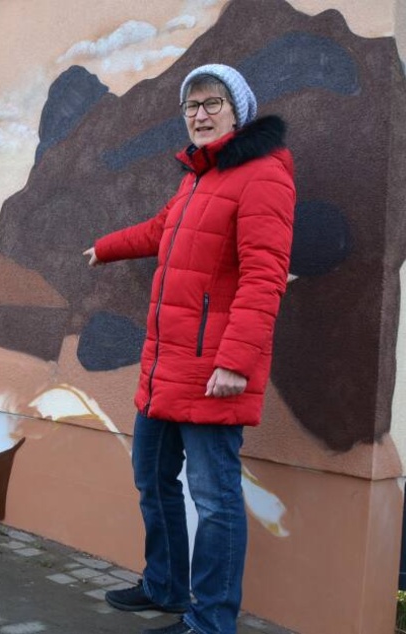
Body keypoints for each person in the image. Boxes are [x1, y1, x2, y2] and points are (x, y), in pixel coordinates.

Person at [84, 64, 295, 634]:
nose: (200, 115)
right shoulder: (199, 177)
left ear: (238, 110)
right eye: (192, 106)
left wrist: (234, 361)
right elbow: (163, 229)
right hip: (166, 365)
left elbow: (264, 276)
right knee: (152, 477)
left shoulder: (263, 175)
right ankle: (166, 585)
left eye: (212, 103)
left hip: (212, 370)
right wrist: (105, 248)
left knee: (215, 498)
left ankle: (211, 621)